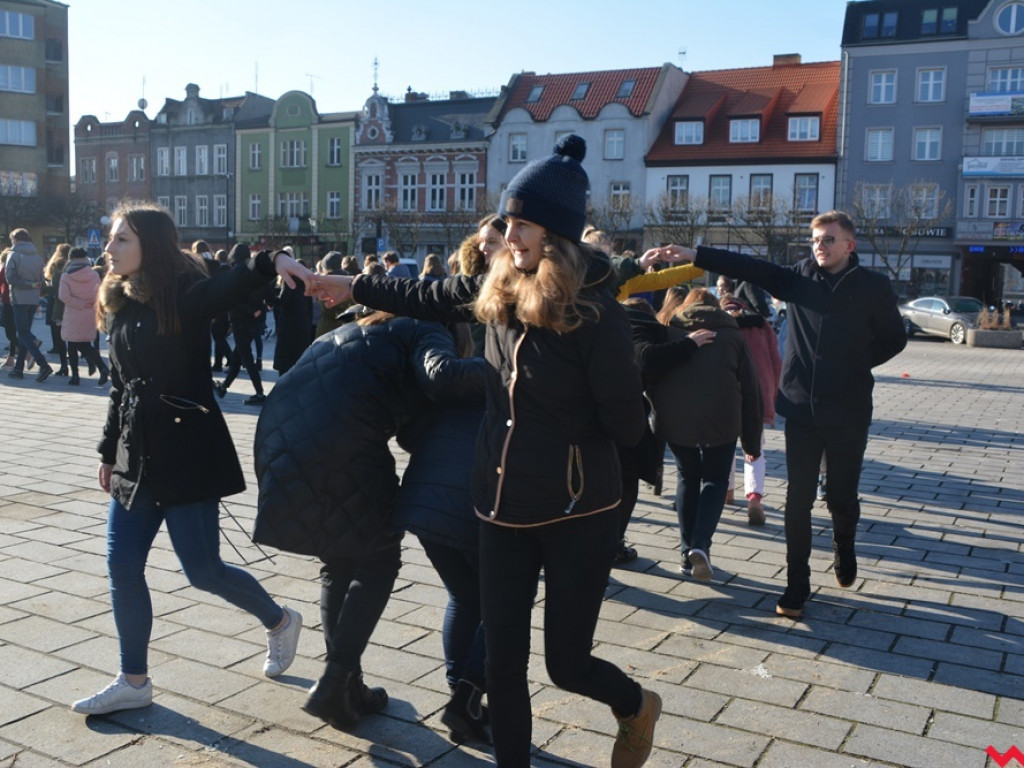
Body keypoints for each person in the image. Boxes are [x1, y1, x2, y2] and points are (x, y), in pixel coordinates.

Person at [309, 135, 662, 768]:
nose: (508, 235)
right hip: (499, 506)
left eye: (521, 224)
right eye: (506, 222)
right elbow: (427, 294)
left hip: (578, 511)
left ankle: (635, 705)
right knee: (502, 662)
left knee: (566, 663)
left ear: (555, 233)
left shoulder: (596, 315)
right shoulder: (497, 291)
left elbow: (629, 428)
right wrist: (348, 284)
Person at [70, 202, 311, 717]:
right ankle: (133, 679)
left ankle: (279, 621)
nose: (108, 249)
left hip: (185, 452)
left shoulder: (183, 294)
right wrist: (108, 451)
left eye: (121, 240)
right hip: (137, 456)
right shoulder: (120, 301)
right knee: (121, 564)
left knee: (202, 570)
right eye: (111, 239)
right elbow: (120, 387)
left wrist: (271, 262)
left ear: (150, 246)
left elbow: (227, 288)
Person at [660, 210, 907, 618]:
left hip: (849, 409)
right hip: (801, 406)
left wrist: (856, 363)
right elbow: (750, 266)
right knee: (797, 501)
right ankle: (797, 583)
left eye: (829, 239)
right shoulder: (799, 277)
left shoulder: (873, 287)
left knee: (841, 498)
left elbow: (894, 339)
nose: (820, 247)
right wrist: (695, 253)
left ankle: (844, 542)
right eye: (815, 240)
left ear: (850, 244)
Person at [252, 307, 486, 733]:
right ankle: (334, 681)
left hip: (279, 432)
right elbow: (443, 375)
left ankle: (347, 689)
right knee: (378, 559)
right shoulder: (427, 327)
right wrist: (512, 369)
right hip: (342, 439)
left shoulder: (362, 328)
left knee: (339, 561)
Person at [646, 288, 762, 581]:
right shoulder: (732, 336)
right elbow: (750, 389)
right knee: (715, 479)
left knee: (687, 477)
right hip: (721, 419)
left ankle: (687, 553)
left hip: (676, 419)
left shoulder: (670, 331)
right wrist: (751, 440)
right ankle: (700, 545)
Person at [720, 294, 782, 525]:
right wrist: (772, 394)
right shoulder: (762, 325)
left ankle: (727, 492)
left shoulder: (718, 323)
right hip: (757, 393)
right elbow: (777, 361)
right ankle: (754, 498)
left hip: (726, 394)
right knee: (754, 448)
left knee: (725, 445)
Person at [214, 243, 270, 406]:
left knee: (246, 357)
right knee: (238, 357)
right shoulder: (259, 274)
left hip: (240, 322)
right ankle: (223, 387)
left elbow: (232, 301)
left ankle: (259, 393)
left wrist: (249, 311)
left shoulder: (235, 275)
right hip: (254, 323)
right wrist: (261, 309)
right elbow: (269, 297)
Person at [5, 228, 53, 382]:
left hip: (19, 299)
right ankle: (18, 369)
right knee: (25, 333)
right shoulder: (37, 256)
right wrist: (34, 286)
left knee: (23, 334)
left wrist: (27, 284)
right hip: (33, 300)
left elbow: (10, 278)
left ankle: (43, 364)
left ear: (15, 240)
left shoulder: (13, 255)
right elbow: (41, 279)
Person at [59, 247, 109, 386]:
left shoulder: (66, 275)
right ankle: (102, 367)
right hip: (89, 313)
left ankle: (75, 376)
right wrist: (89, 304)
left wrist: (78, 303)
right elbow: (99, 294)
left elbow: (63, 296)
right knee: (85, 343)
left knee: (72, 344)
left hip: (73, 313)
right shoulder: (93, 275)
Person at [43, 243, 71, 376]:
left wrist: (42, 287)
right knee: (72, 338)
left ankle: (64, 366)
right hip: (72, 307)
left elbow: (56, 290)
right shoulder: (73, 267)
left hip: (58, 306)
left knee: (58, 335)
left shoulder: (58, 267)